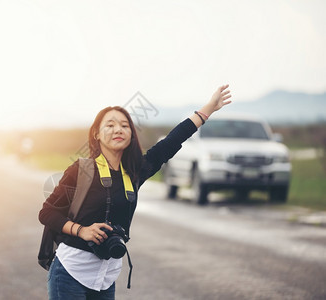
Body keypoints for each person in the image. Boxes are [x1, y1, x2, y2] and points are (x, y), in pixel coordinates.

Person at [39, 85, 232, 300]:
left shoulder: (133, 172)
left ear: (131, 134)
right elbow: (47, 213)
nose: (118, 129)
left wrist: (207, 110)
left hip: (105, 277)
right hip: (70, 273)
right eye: (109, 125)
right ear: (96, 134)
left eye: (124, 125)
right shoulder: (81, 169)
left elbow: (171, 142)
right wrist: (81, 230)